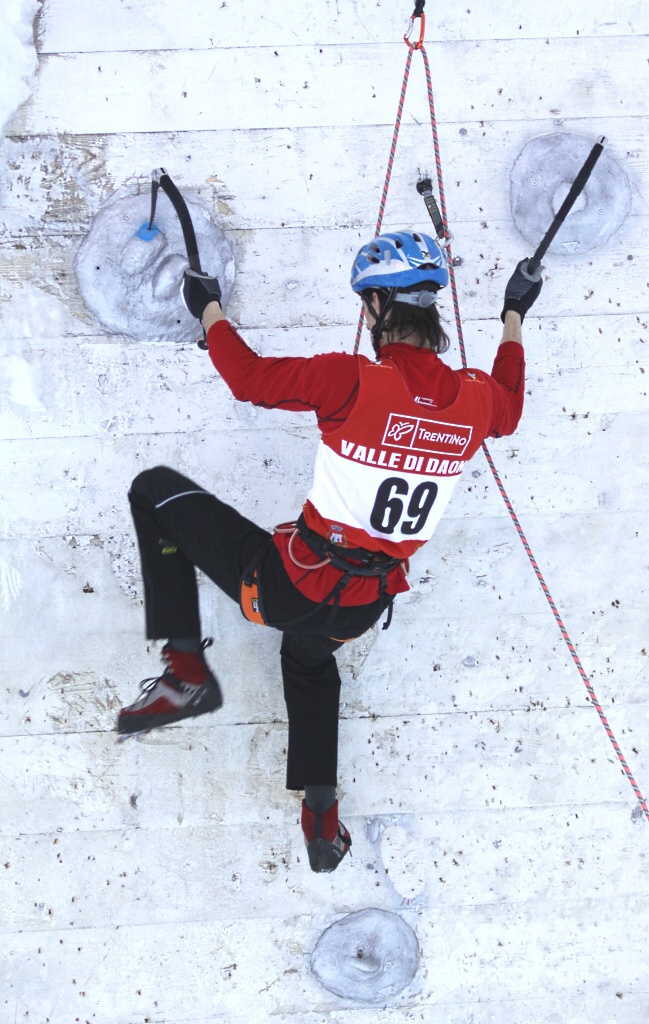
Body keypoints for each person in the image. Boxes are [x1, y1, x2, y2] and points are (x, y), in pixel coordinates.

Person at [117, 231, 542, 872]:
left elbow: (251, 379)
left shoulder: (350, 379)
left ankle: (186, 675)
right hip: (363, 607)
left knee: (153, 492)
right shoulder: (478, 400)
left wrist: (209, 309)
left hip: (290, 585)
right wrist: (514, 314)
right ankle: (321, 815)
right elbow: (510, 409)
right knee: (310, 662)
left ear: (375, 309)